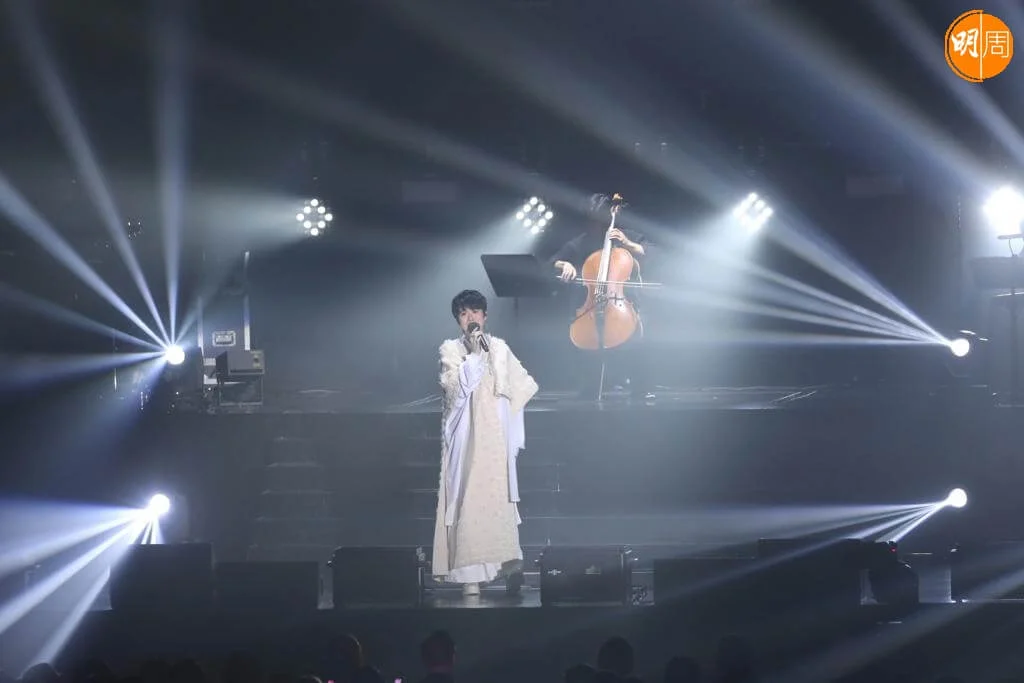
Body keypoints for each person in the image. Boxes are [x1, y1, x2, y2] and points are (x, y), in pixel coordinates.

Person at [432, 289, 538, 597]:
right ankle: (470, 575)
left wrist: (510, 425)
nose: (470, 318)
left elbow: (522, 385)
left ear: (485, 316)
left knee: (497, 499)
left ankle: (507, 567)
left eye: (475, 312)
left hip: (495, 437)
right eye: (463, 314)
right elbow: (455, 389)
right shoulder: (451, 350)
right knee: (469, 498)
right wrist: (475, 355)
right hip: (466, 439)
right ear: (458, 320)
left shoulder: (500, 348)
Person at [549, 193, 655, 401]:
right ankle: (589, 384)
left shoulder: (625, 235)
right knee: (582, 337)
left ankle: (639, 386)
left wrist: (628, 244)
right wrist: (564, 264)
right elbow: (553, 261)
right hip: (593, 304)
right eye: (592, 221)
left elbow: (650, 252)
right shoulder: (583, 241)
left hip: (625, 303)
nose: (596, 226)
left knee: (637, 338)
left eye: (600, 220)